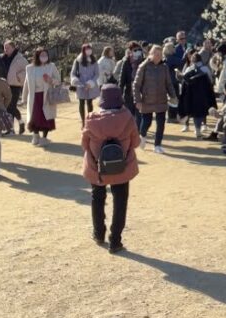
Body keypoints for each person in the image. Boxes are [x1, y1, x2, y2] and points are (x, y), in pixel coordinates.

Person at [81, 84, 140, 254]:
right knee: (120, 202)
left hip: (97, 167)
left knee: (97, 199)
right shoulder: (127, 116)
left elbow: (84, 144)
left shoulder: (92, 118)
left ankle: (99, 233)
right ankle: (115, 240)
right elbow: (135, 143)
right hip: (122, 166)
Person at [133, 44, 175, 153]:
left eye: (160, 54)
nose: (158, 56)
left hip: (161, 99)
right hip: (147, 100)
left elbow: (169, 83)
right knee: (147, 122)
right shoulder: (144, 66)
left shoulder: (164, 67)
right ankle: (142, 136)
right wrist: (137, 100)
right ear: (151, 54)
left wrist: (173, 96)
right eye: (156, 54)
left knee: (161, 123)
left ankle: (157, 145)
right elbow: (136, 85)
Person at [22, 48, 60, 147]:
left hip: (47, 96)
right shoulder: (30, 68)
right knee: (35, 117)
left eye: (45, 55)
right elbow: (26, 84)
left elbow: (58, 80)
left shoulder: (51, 66)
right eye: (42, 55)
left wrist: (50, 80)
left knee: (46, 117)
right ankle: (35, 135)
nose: (44, 57)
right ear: (37, 56)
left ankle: (44, 138)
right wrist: (24, 98)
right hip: (35, 96)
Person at [178, 53, 217, 138]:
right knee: (200, 112)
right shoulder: (206, 68)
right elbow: (210, 81)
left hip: (191, 94)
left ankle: (186, 126)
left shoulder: (189, 69)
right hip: (203, 94)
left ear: (192, 60)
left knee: (190, 109)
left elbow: (184, 81)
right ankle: (198, 129)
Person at [0, 41, 29, 135]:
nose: (5, 50)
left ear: (13, 48)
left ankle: (10, 129)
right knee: (8, 106)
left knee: (10, 106)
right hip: (4, 85)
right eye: (4, 48)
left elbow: (27, 70)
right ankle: (20, 122)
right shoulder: (2, 58)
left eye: (7, 48)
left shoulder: (20, 59)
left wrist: (19, 77)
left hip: (15, 85)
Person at [71, 44, 101, 126]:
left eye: (90, 49)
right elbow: (73, 73)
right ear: (83, 50)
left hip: (91, 85)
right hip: (80, 85)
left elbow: (97, 74)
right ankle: (83, 122)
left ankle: (90, 121)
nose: (89, 51)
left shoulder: (94, 61)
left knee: (89, 102)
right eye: (87, 49)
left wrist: (91, 83)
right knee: (81, 102)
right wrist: (76, 81)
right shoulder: (77, 61)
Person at [163, 42, 183, 124]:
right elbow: (181, 61)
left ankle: (171, 116)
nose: (175, 49)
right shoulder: (171, 58)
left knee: (171, 99)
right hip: (172, 81)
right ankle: (172, 117)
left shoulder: (165, 58)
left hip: (168, 81)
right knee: (174, 99)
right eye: (173, 47)